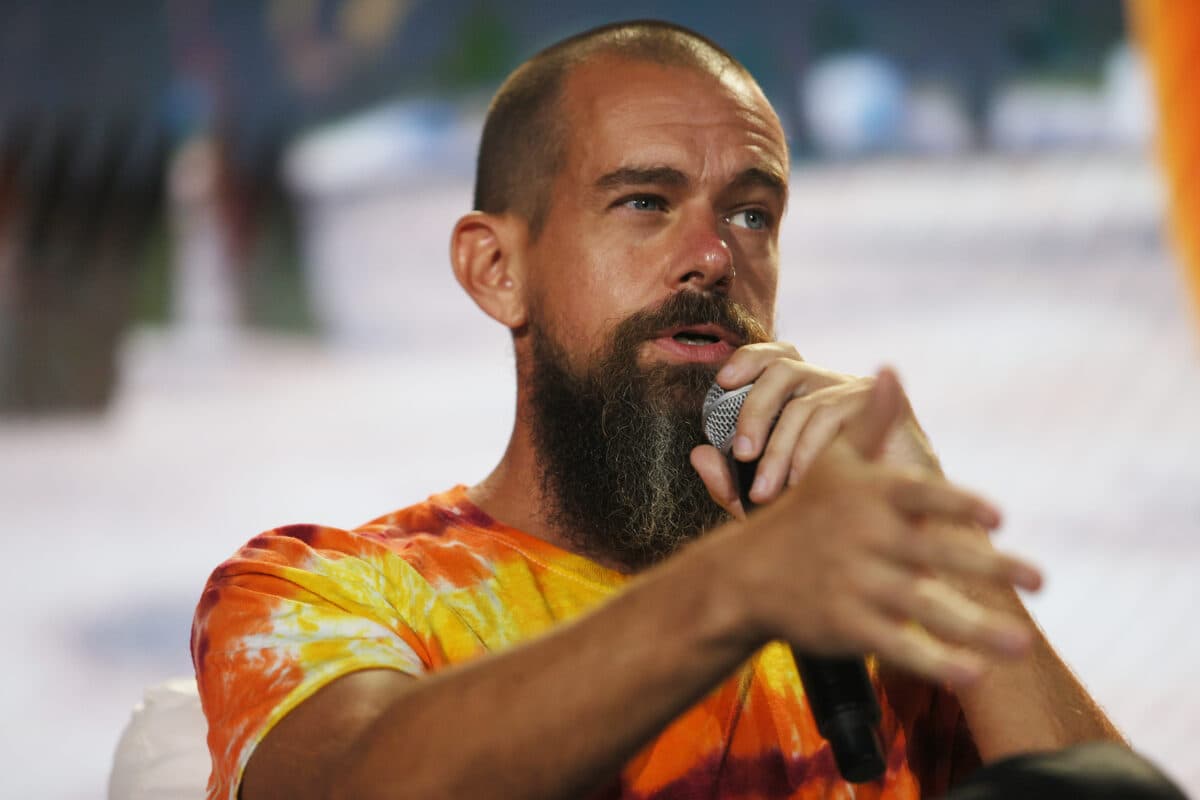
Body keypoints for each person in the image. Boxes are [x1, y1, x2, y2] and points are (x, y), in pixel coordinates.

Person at [191, 20, 1177, 800]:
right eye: (645, 202)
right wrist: (737, 589)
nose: (714, 254)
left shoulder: (877, 622)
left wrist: (958, 576)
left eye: (752, 212)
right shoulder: (324, 589)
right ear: (497, 269)